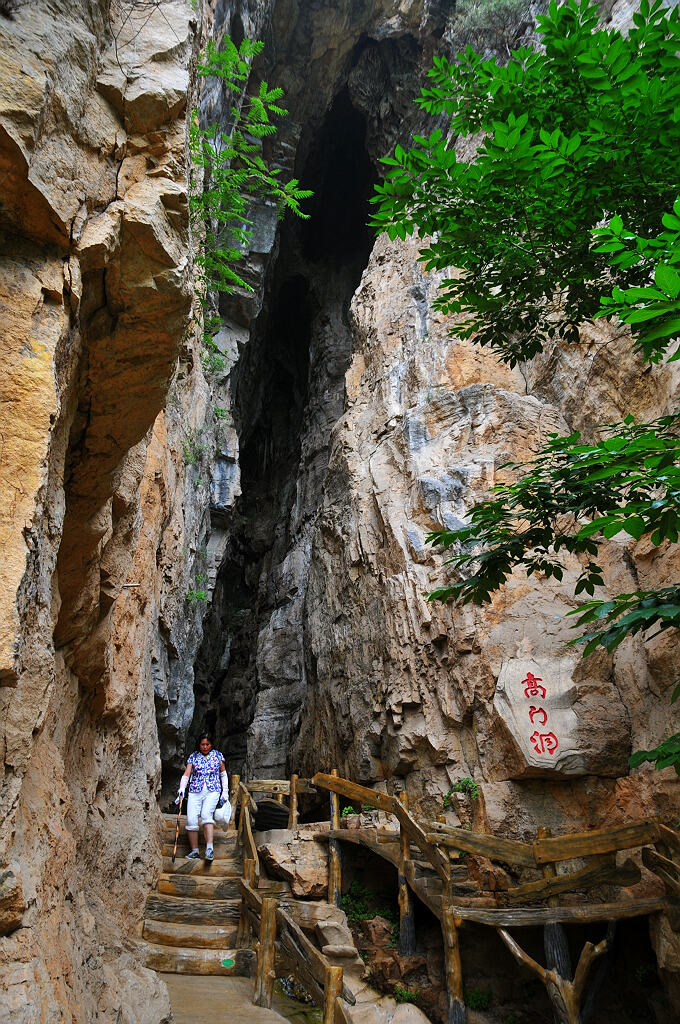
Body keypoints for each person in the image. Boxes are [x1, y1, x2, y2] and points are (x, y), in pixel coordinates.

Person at [177, 734, 228, 861]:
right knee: (191, 820)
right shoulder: (193, 756)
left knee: (206, 815)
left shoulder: (217, 755)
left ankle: (209, 849)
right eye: (202, 744)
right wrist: (182, 788)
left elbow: (223, 774)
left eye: (207, 744)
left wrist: (225, 792)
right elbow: (187, 774)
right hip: (195, 790)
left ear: (211, 745)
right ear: (199, 745)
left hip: (213, 790)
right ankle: (195, 851)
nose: (205, 747)